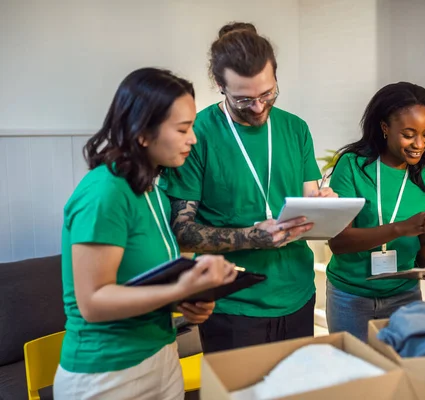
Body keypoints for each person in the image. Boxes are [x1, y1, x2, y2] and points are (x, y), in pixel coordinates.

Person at [53, 68, 238, 400]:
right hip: (106, 372)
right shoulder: (104, 192)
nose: (193, 138)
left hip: (161, 354)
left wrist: (188, 299)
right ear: (142, 133)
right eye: (182, 129)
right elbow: (93, 303)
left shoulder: (150, 188)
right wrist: (179, 290)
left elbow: (145, 281)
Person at [163, 22, 337, 353]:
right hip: (231, 304)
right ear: (219, 85)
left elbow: (308, 200)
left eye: (267, 94)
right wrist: (251, 238)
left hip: (297, 294)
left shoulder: (295, 129)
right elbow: (180, 231)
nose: (258, 108)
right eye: (244, 99)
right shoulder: (197, 134)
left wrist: (324, 205)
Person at [325, 82, 425, 342]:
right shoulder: (352, 166)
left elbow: (423, 247)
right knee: (356, 375)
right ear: (385, 128)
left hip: (404, 298)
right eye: (409, 134)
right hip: (351, 297)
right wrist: (400, 228)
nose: (420, 144)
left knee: (399, 376)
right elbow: (339, 242)